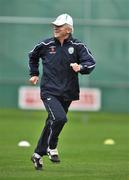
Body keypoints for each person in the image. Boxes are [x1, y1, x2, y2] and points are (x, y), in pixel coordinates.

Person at [29, 13, 96, 170]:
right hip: (49, 91)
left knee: (51, 122)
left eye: (59, 26)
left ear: (68, 30)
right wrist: (34, 74)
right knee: (60, 119)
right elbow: (32, 56)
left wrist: (81, 67)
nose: (55, 28)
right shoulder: (45, 45)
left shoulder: (78, 46)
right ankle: (51, 146)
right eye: (55, 25)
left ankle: (37, 155)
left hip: (68, 92)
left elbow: (90, 63)